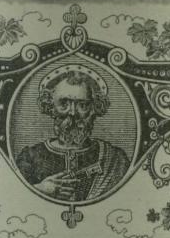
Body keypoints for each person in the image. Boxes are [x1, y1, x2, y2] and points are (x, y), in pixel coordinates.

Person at [15, 63, 129, 202]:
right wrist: (41, 189)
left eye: (82, 105)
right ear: (51, 106)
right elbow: (13, 199)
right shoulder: (30, 157)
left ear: (94, 108)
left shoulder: (116, 159)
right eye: (64, 104)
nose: (73, 113)